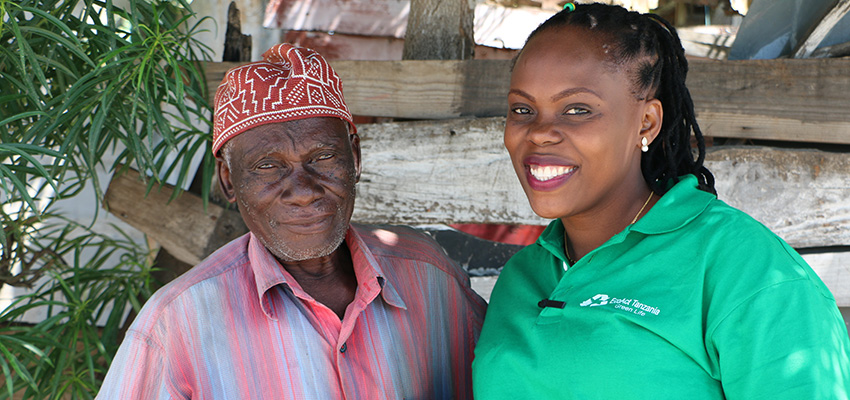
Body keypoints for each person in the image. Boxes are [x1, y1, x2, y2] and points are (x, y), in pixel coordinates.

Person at [472, 3, 850, 399]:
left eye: (577, 109)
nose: (540, 133)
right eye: (522, 109)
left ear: (646, 123)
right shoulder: (523, 277)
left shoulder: (746, 270)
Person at [97, 43, 486, 399]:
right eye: (268, 166)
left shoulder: (433, 279)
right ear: (229, 180)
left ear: (355, 157)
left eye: (322, 157)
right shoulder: (175, 325)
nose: (302, 190)